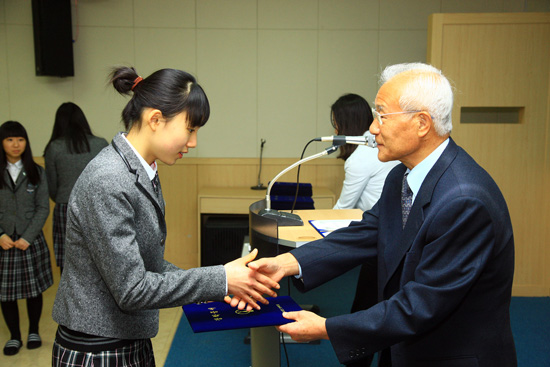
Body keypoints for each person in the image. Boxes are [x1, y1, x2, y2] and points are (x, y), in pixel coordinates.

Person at [244, 63, 517, 366]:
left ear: (422, 123)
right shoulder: (401, 175)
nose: (373, 128)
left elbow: (420, 306)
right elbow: (368, 232)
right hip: (404, 347)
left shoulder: (464, 201)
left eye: (381, 116)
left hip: (449, 355)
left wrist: (324, 328)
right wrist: (287, 263)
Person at [51, 66, 279, 366]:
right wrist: (220, 280)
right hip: (97, 350)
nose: (193, 142)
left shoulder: (141, 169)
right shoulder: (108, 179)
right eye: (190, 129)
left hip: (125, 339)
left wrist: (220, 283)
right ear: (155, 119)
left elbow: (148, 265)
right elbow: (132, 290)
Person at [331, 93, 399, 366]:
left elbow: (344, 209)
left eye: (336, 124)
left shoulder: (360, 159)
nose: (334, 131)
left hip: (379, 241)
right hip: (391, 236)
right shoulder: (384, 152)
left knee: (365, 310)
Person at [0, 121, 52, 356]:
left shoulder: (36, 171)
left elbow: (43, 208)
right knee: (5, 292)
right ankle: (14, 336)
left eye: (20, 139)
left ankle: (33, 331)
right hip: (3, 242)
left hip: (30, 241)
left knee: (34, 289)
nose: (15, 144)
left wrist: (28, 237)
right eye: (10, 139)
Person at [44, 102, 109, 275]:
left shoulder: (54, 148)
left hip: (65, 207)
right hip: (98, 206)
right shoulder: (100, 144)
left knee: (68, 261)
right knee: (100, 256)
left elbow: (52, 186)